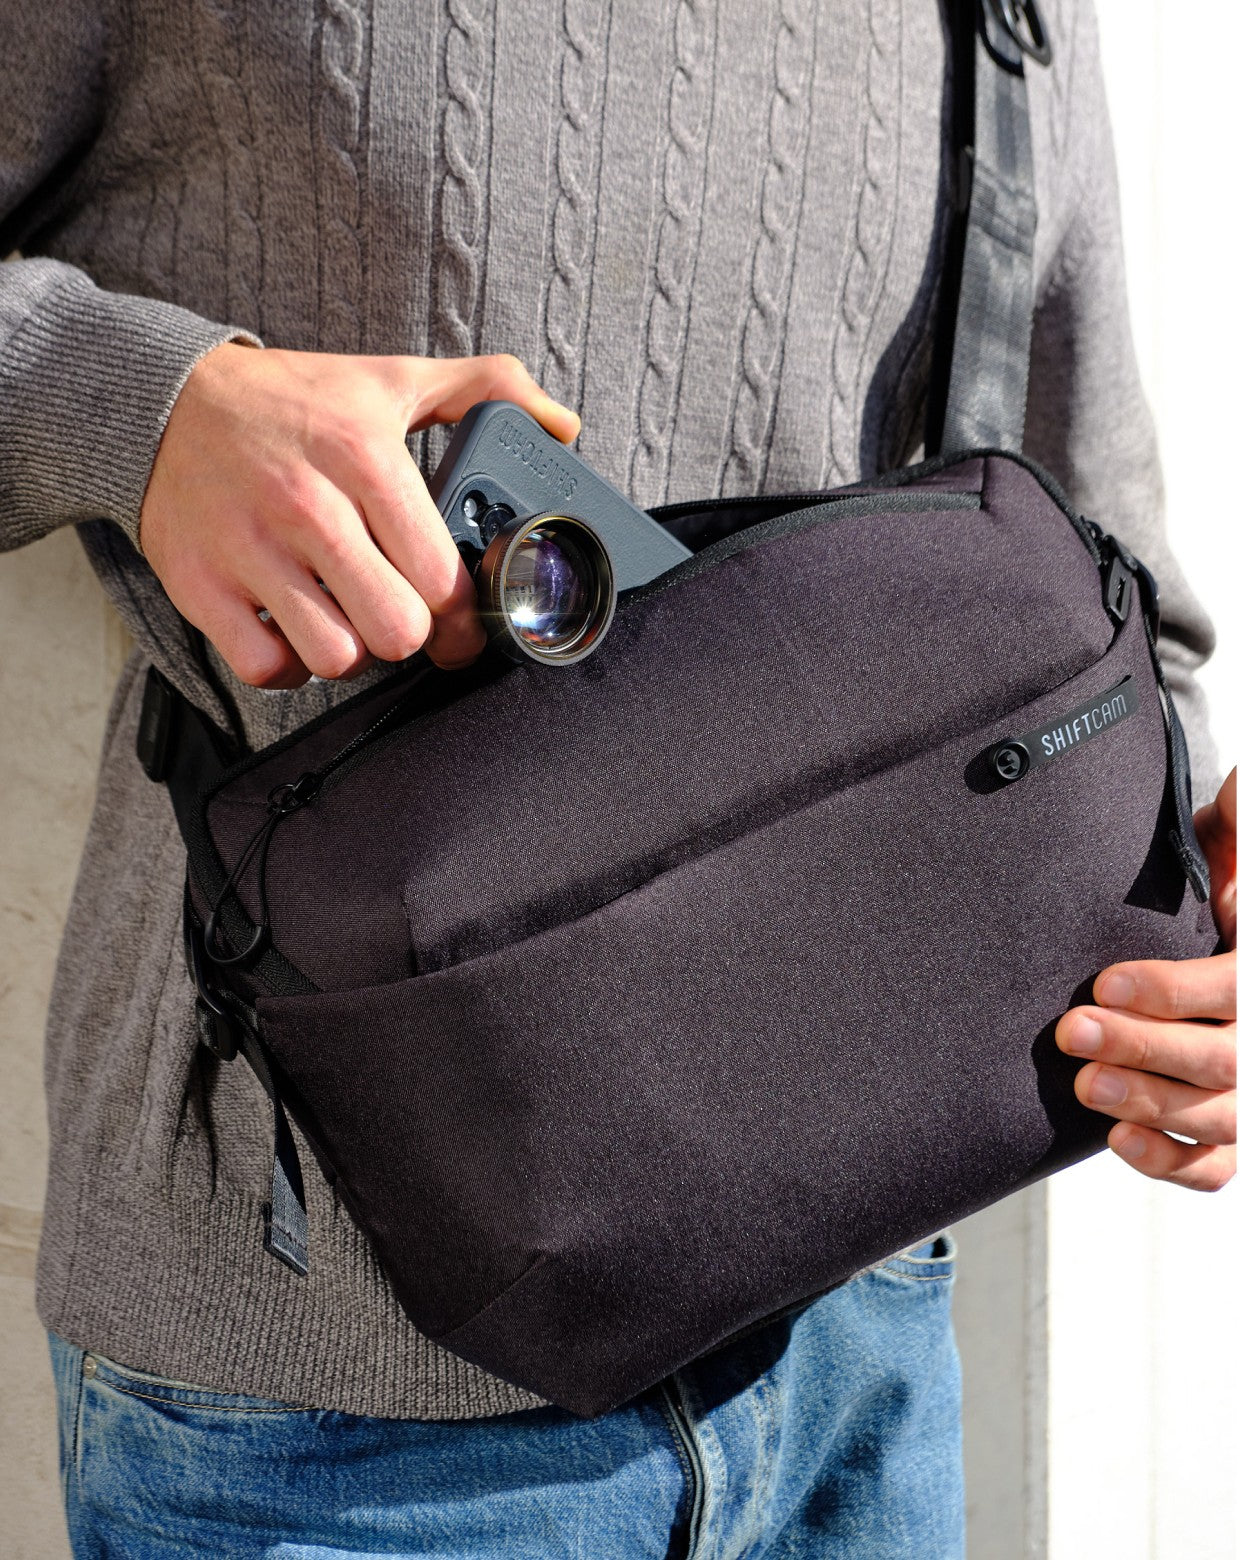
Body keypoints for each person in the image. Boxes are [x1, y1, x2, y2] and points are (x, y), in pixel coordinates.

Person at [2, 1, 1234, 1555]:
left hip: (865, 1344)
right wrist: (148, 413)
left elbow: (1096, 572)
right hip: (328, 1407)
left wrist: (1187, 895)